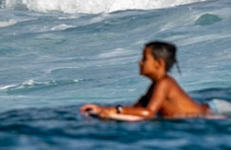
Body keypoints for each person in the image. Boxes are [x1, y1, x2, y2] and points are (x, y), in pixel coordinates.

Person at [80, 41, 210, 119]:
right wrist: (100, 108)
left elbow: (148, 113)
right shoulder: (155, 85)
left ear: (158, 63)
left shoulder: (164, 83)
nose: (140, 62)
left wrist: (116, 110)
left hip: (205, 117)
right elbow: (136, 108)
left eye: (144, 59)